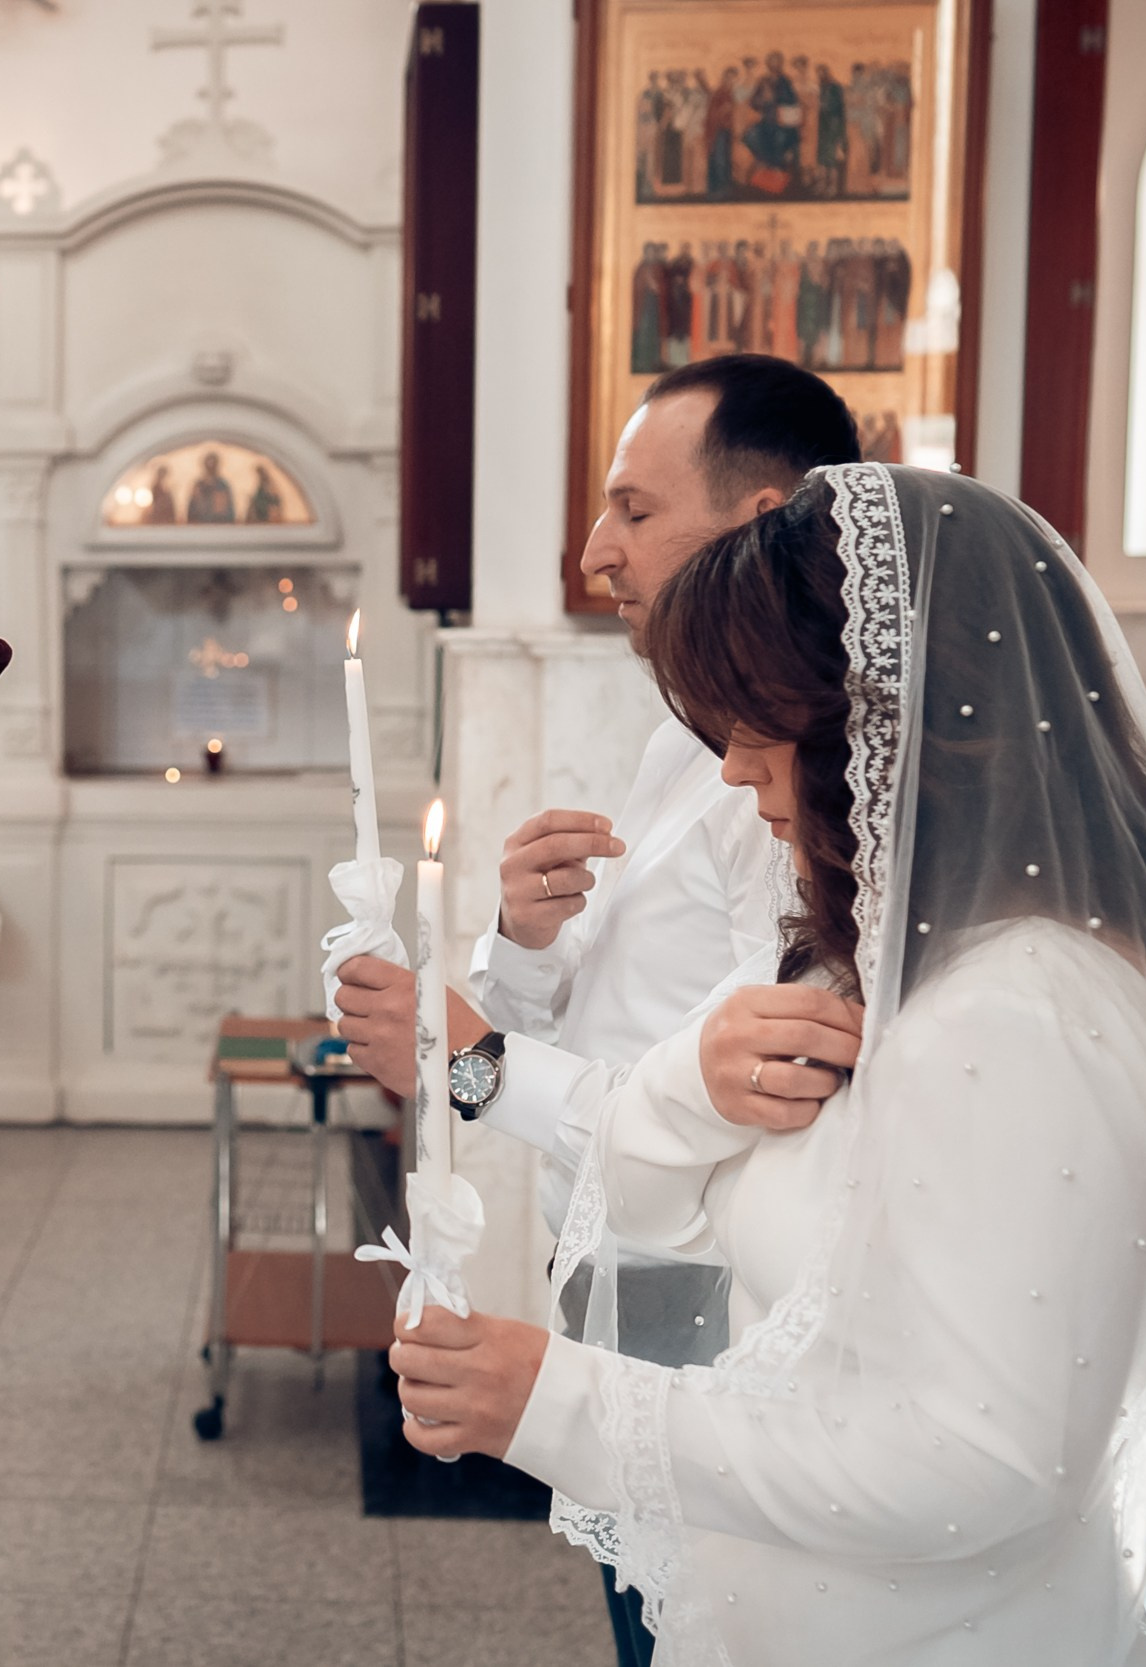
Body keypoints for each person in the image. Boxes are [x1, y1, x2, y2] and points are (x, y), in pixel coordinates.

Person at [386, 464, 1146, 1665]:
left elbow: (977, 1458)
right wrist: (500, 985)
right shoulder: (880, 920)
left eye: (639, 507)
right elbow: (678, 1107)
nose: (601, 547)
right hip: (749, 1492)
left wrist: (556, 1396)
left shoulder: (1019, 1013)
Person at [335, 353, 863, 1665]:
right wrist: (519, 941)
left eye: (633, 508)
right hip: (623, 1251)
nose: (594, 551)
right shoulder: (691, 730)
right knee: (650, 1608)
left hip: (716, 1281)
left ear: (761, 518)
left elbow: (762, 1100)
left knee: (699, 1613)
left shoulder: (792, 765)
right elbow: (613, 1017)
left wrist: (473, 1064)